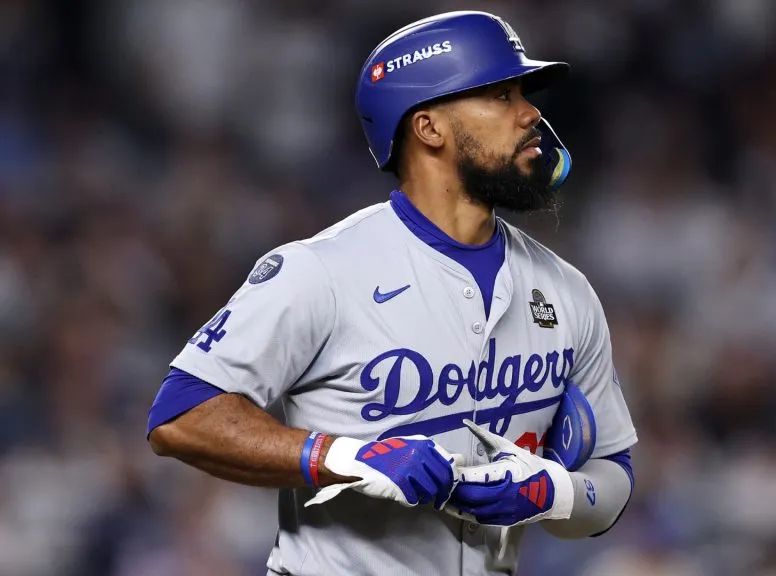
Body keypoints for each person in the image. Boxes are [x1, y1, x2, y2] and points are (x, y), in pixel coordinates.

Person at [147, 10, 637, 575]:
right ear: (429, 128)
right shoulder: (321, 272)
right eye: (501, 96)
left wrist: (553, 492)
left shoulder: (566, 290)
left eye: (524, 95)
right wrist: (347, 457)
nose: (530, 113)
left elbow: (613, 473)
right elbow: (180, 418)